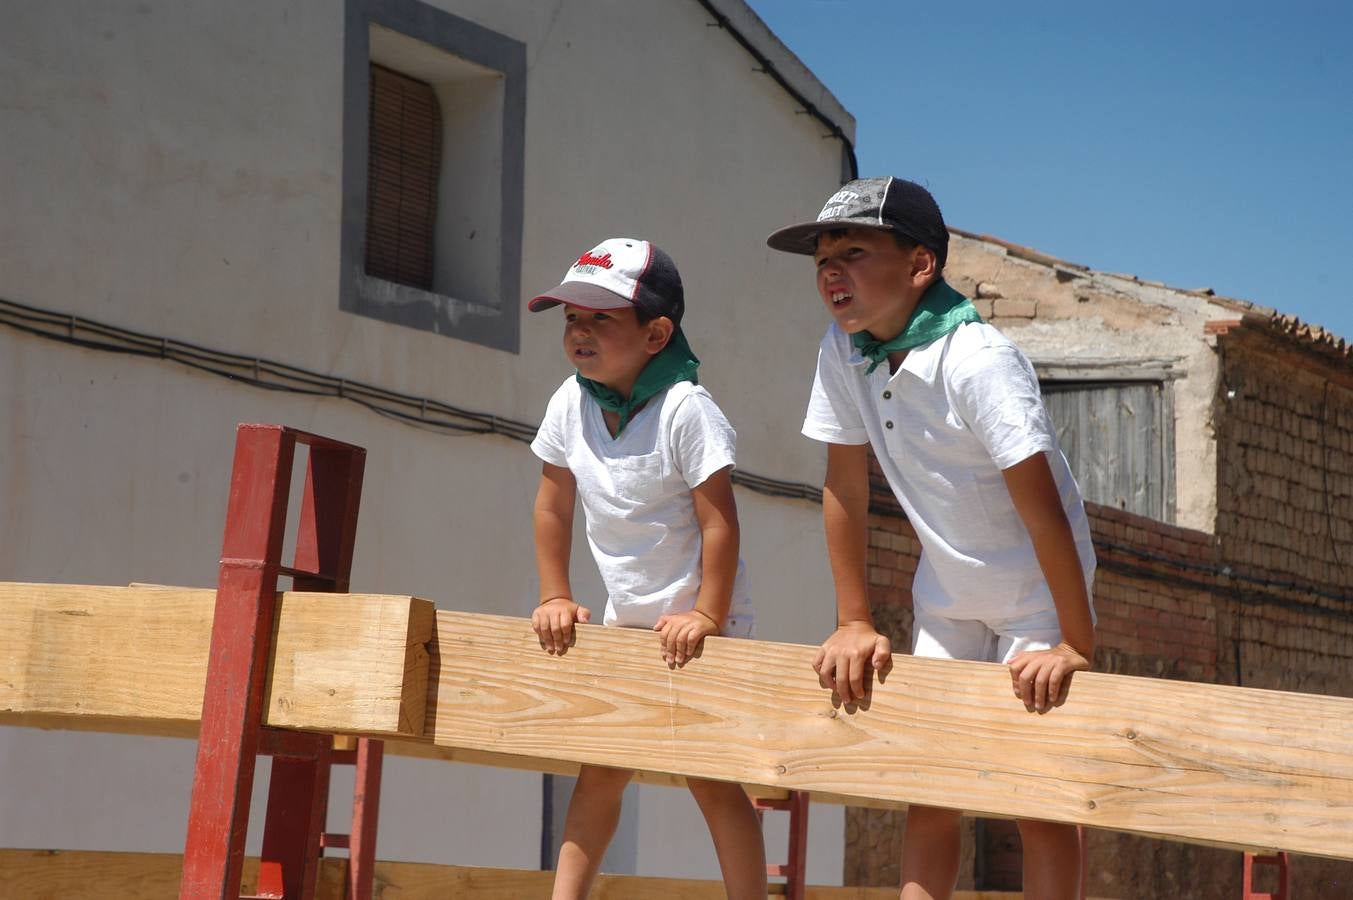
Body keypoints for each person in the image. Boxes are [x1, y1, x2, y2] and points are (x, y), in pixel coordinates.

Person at [768, 178, 1097, 900]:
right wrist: (852, 619)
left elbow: (1044, 511)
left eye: (853, 252)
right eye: (820, 257)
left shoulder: (979, 359)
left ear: (920, 266)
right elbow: (843, 488)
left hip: (1032, 599)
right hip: (946, 595)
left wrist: (1073, 640)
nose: (830, 271)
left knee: (1035, 800)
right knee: (930, 785)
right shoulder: (843, 347)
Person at [527, 238, 767, 900]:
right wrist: (555, 593)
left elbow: (720, 523)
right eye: (571, 318)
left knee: (709, 774)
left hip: (701, 621)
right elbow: (552, 506)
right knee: (600, 769)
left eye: (601, 318)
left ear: (657, 333)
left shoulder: (686, 409)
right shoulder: (568, 404)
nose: (580, 332)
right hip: (626, 619)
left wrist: (706, 615)